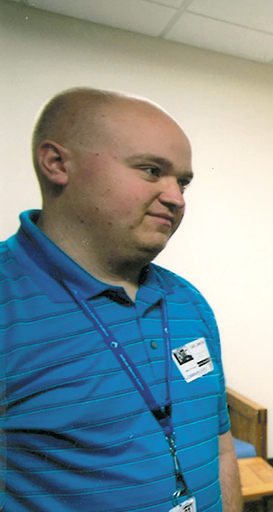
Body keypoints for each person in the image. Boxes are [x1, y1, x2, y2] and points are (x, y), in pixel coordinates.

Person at [0, 88, 241, 512]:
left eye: (182, 182)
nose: (177, 198)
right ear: (57, 164)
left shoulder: (189, 302)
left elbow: (220, 447)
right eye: (152, 171)